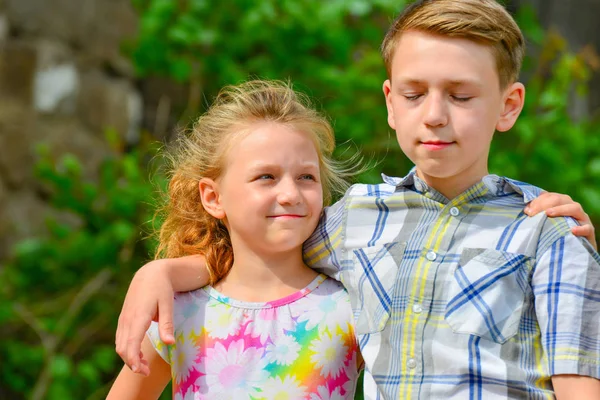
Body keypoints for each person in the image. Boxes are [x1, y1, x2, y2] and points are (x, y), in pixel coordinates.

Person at [116, 1, 600, 398]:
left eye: (461, 95)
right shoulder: (354, 220)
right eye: (414, 94)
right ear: (390, 102)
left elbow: (579, 384)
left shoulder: (549, 231)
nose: (434, 115)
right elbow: (257, 253)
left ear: (508, 105)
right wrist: (160, 271)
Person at [107, 80, 362, 399]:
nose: (290, 194)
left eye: (306, 177)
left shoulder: (353, 307)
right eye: (266, 177)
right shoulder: (179, 313)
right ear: (213, 197)